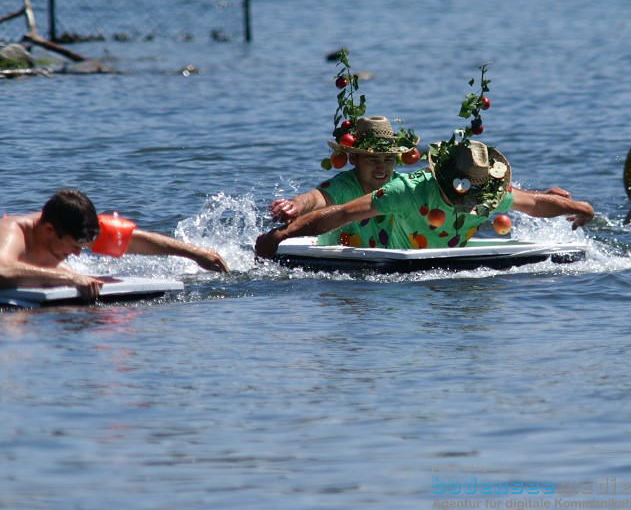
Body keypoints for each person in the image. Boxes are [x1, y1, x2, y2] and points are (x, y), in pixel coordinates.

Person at [256, 139, 595, 258]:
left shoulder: (489, 194)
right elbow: (341, 212)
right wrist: (283, 236)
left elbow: (534, 204)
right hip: (384, 257)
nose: (476, 200)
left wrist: (579, 207)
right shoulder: (408, 189)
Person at [0, 189, 229, 299]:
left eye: (83, 246)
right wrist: (70, 278)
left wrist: (195, 254)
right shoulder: (13, 233)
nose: (79, 254)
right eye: (74, 247)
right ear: (48, 230)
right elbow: (2, 270)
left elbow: (132, 241)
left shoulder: (69, 227)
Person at [269, 116, 419, 248]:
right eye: (372, 160)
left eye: (388, 159)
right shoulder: (342, 186)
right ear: (354, 159)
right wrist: (296, 205)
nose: (382, 168)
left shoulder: (402, 185)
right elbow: (315, 198)